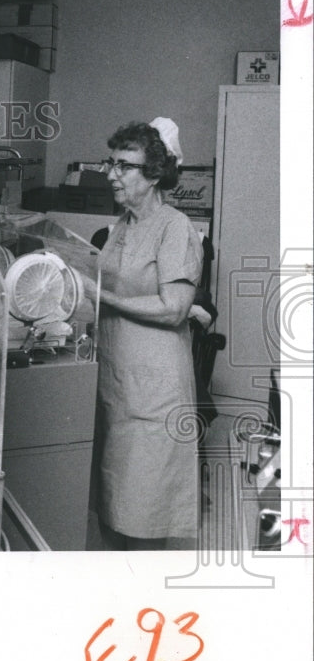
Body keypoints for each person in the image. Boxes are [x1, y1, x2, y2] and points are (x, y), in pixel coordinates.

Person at [80, 118, 204, 550]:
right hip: (117, 386)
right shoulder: (121, 227)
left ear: (153, 175)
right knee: (112, 510)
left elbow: (174, 309)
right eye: (110, 163)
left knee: (144, 515)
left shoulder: (174, 227)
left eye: (124, 166)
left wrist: (103, 297)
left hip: (154, 393)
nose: (112, 173)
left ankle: (143, 606)